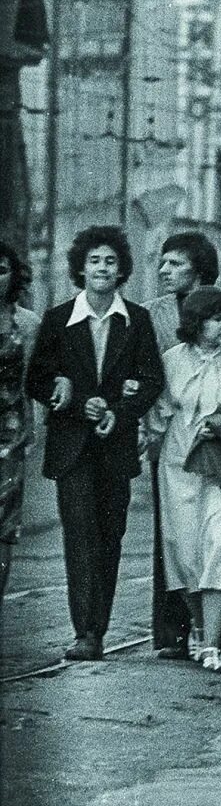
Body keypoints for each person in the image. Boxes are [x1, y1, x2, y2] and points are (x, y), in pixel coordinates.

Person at [25, 226, 166, 661]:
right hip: (72, 448)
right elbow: (37, 379)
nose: (102, 269)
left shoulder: (137, 320)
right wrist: (69, 395)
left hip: (115, 444)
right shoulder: (58, 319)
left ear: (121, 269)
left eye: (110, 261)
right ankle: (85, 632)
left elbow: (152, 379)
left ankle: (98, 627)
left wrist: (118, 413)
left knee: (110, 536)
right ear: (81, 269)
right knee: (80, 536)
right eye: (94, 261)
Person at [144, 231, 221, 658]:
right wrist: (147, 447)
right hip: (179, 464)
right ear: (197, 323)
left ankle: (212, 641)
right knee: (182, 552)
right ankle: (197, 628)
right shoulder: (171, 356)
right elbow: (155, 410)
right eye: (216, 318)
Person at [0, 242, 41, 599]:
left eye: (1, 270)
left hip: (9, 434)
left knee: (4, 524)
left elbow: (36, 379)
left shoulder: (27, 323)